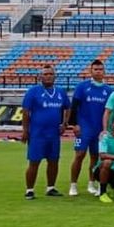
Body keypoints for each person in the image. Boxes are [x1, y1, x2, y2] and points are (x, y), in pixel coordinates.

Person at [21, 65, 71, 199]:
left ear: (55, 76)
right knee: (34, 161)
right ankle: (29, 190)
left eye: (51, 74)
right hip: (37, 134)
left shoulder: (61, 92)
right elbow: (25, 112)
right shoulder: (33, 91)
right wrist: (25, 131)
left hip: (54, 134)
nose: (48, 76)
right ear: (40, 77)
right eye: (45, 74)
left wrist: (64, 123)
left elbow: (68, 107)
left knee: (53, 161)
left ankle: (51, 188)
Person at [69, 59, 113, 197]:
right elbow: (74, 107)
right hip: (84, 127)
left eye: (101, 69)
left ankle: (91, 183)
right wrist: (74, 124)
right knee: (80, 155)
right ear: (91, 71)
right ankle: (73, 185)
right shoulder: (82, 87)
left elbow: (109, 111)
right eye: (96, 69)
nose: (98, 71)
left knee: (95, 157)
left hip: (99, 129)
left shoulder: (108, 90)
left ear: (104, 71)